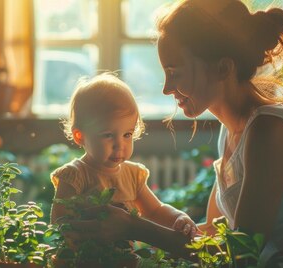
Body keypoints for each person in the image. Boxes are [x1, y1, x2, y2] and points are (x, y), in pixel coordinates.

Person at [65, 0, 283, 266]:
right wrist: (162, 222)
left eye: (175, 71)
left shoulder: (268, 131)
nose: (166, 88)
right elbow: (214, 238)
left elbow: (240, 252)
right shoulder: (231, 133)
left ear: (222, 67)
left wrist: (134, 229)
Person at [50, 72, 198, 238]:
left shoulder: (132, 175)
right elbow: (59, 223)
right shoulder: (75, 175)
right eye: (108, 135)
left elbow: (155, 211)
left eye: (127, 134)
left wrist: (179, 217)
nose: (119, 145)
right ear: (80, 136)